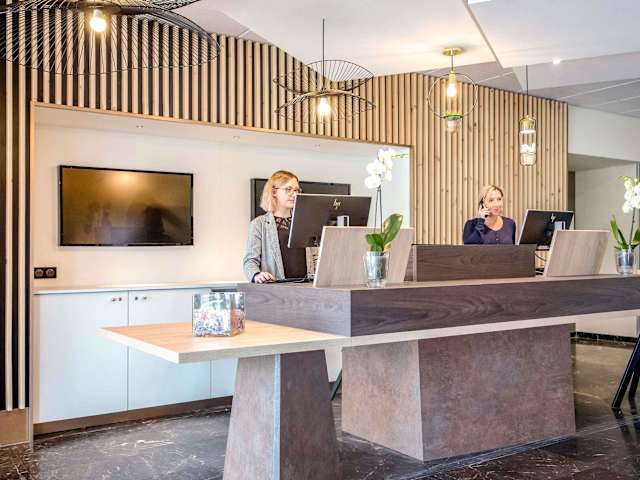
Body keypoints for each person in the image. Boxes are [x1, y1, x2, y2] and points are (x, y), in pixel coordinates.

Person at [243, 170, 308, 283]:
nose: (294, 194)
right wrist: (256, 275)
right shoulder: (259, 224)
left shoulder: (304, 222)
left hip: (306, 287)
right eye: (288, 189)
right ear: (274, 192)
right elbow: (250, 261)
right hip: (276, 287)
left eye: (296, 190)